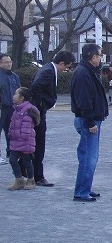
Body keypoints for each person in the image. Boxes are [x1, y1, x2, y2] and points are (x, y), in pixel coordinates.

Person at [70, 43, 109, 202]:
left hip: (91, 119)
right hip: (89, 120)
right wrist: (91, 122)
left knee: (90, 156)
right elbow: (84, 101)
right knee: (88, 157)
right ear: (93, 57)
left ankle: (85, 187)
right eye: (100, 56)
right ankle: (81, 191)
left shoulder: (86, 71)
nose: (101, 59)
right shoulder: (84, 73)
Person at [30, 50, 75, 186]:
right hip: (38, 112)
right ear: (62, 63)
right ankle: (38, 176)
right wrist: (42, 103)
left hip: (38, 110)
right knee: (39, 144)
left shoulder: (47, 68)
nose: (66, 70)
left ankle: (32, 173)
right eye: (66, 67)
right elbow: (35, 86)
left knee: (36, 144)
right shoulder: (49, 71)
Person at [7, 87, 40, 190]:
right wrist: (11, 135)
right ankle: (19, 180)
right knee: (12, 160)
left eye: (15, 94)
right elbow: (12, 124)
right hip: (16, 141)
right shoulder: (16, 109)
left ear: (21, 98)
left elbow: (26, 128)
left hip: (25, 142)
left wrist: (22, 138)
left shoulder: (27, 110)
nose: (13, 96)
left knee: (27, 162)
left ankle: (31, 180)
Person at [0, 53, 21, 165]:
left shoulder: (14, 77)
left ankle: (11, 153)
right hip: (1, 108)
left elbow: (19, 91)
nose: (9, 64)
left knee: (12, 131)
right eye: (6, 62)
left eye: (10, 62)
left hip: (12, 108)